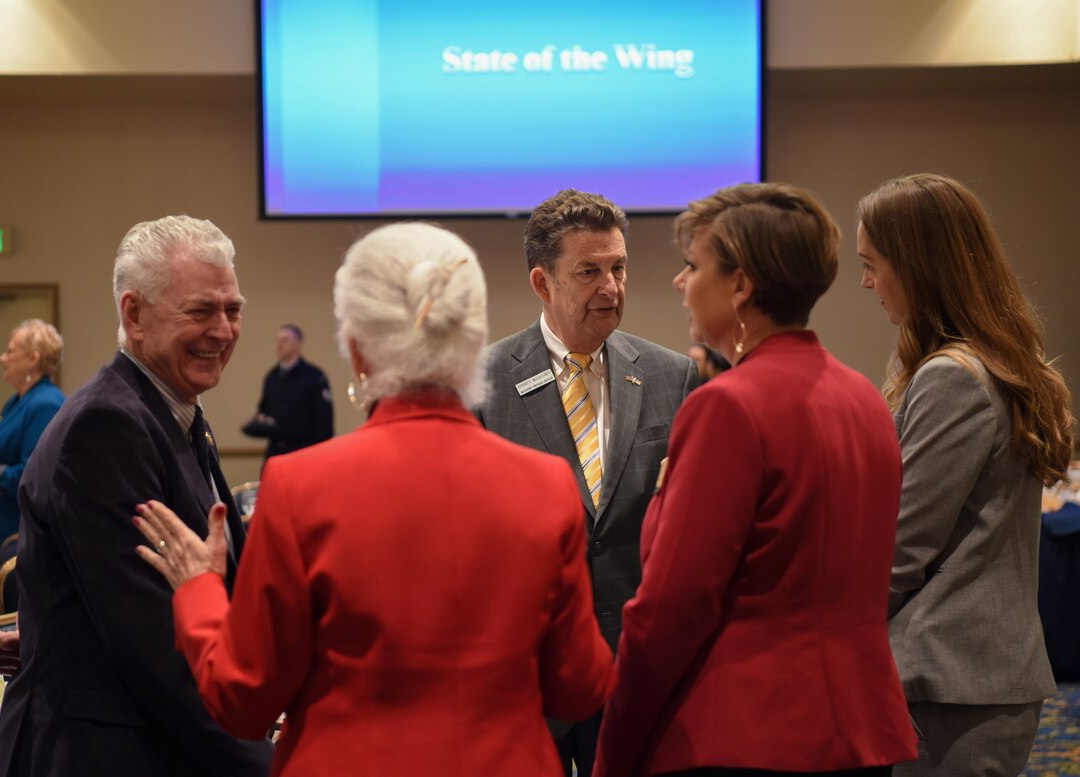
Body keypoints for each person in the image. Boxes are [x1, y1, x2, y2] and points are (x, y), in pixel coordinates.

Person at [131, 222, 615, 777]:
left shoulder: (299, 487)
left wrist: (198, 594)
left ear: (358, 349)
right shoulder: (547, 485)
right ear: (473, 343)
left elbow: (245, 701)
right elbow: (579, 689)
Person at [593, 183, 918, 777]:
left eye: (692, 266)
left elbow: (669, 613)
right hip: (860, 729)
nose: (679, 283)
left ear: (741, 286)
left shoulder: (728, 408)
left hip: (746, 734)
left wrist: (612, 753)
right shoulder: (864, 399)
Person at [0, 216, 273, 777]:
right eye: (201, 310)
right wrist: (273, 764)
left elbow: (107, 603)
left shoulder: (168, 410)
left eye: (233, 309)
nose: (223, 329)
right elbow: (154, 647)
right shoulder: (108, 424)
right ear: (133, 314)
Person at [857, 173, 1074, 777]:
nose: (867, 282)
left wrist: (833, 639)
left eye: (873, 264)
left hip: (951, 681)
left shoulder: (950, 376)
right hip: (971, 677)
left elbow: (905, 544)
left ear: (918, 264)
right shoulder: (979, 363)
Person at [476, 188, 698, 777]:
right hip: (527, 674)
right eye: (590, 272)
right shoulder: (482, 381)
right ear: (542, 283)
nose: (612, 288)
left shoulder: (672, 376)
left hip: (635, 672)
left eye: (619, 267)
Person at [0, 319, 65, 562]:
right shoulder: (18, 401)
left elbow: (33, 475)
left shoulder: (45, 404)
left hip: (17, 539)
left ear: (33, 359)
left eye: (10, 351)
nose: (3, 358)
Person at [241, 324, 333, 459]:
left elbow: (324, 421)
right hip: (276, 451)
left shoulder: (314, 376)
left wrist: (318, 454)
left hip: (303, 450)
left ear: (298, 344)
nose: (279, 344)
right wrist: (261, 417)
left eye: (285, 340)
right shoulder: (272, 376)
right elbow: (264, 407)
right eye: (277, 340)